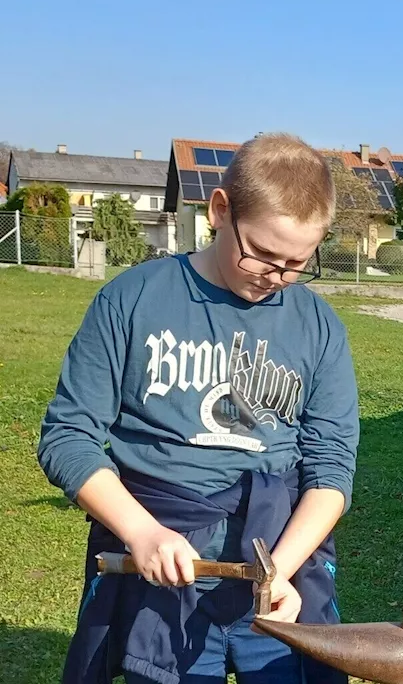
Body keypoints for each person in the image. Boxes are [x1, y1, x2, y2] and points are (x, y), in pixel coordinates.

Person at [37, 133, 360, 683]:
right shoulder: (133, 298)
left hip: (280, 576)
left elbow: (331, 469)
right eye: (261, 253)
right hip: (159, 575)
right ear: (219, 210)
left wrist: (278, 573)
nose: (275, 278)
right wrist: (141, 532)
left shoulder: (318, 326)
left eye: (296, 263)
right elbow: (67, 436)